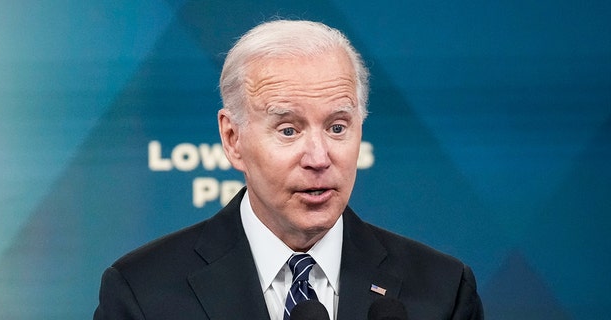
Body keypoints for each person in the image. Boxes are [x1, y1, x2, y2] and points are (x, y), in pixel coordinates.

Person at [94, 19, 483, 320]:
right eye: (288, 129)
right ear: (233, 139)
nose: (318, 156)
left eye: (337, 127)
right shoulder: (142, 293)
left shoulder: (442, 292)